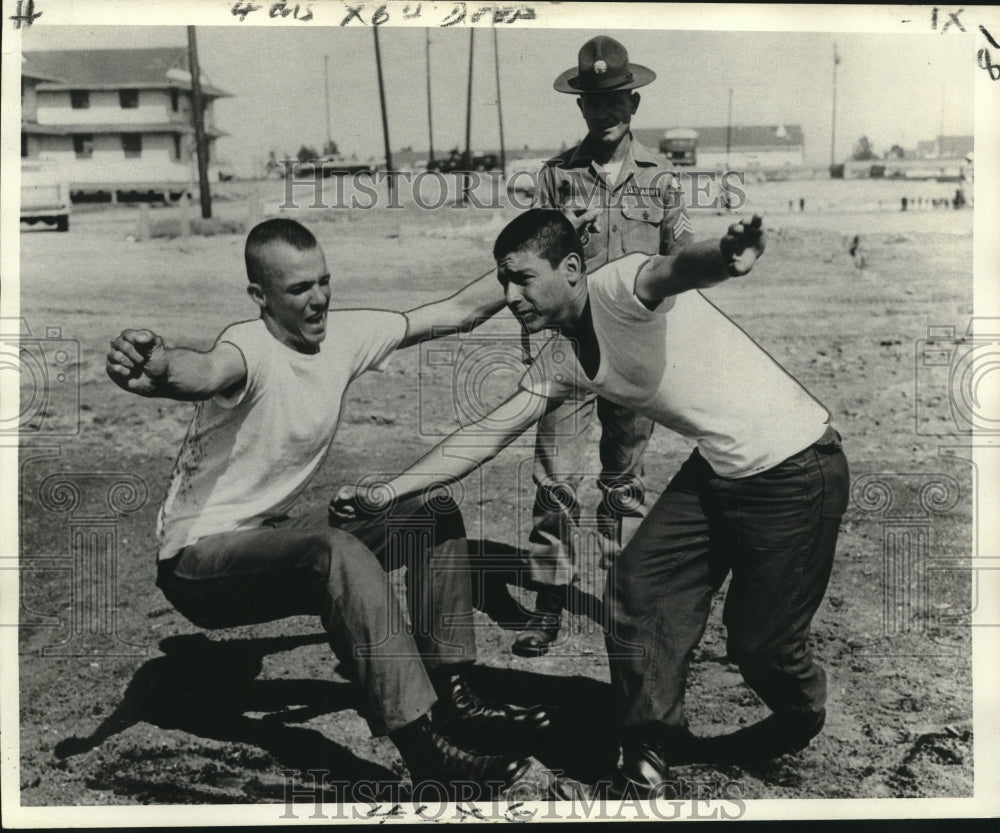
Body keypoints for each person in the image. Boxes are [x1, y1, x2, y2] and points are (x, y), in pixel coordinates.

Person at [332, 209, 849, 796]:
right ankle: (647, 754)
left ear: (572, 268)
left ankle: (800, 714)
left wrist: (724, 258)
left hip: (797, 466)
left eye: (522, 278)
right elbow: (486, 433)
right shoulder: (560, 357)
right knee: (637, 587)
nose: (510, 295)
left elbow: (676, 267)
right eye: (503, 281)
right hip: (719, 469)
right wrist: (388, 490)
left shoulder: (620, 286)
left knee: (760, 647)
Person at [105, 218, 549, 794]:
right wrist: (161, 368)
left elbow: (456, 312)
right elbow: (203, 370)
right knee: (333, 552)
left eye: (323, 281)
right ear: (259, 298)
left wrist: (533, 255)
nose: (318, 299)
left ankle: (454, 694)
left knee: (429, 509)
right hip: (197, 564)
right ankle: (425, 751)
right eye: (298, 290)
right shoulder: (248, 347)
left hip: (267, 537)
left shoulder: (342, 334)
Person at [514, 35, 694, 658]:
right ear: (582, 107)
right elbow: (528, 264)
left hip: (635, 348)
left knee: (624, 482)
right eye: (594, 101)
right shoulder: (554, 177)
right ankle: (548, 603)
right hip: (569, 349)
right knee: (556, 479)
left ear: (634, 103)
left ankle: (623, 601)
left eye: (616, 99)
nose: (606, 111)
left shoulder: (664, 180)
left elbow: (680, 265)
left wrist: (665, 336)